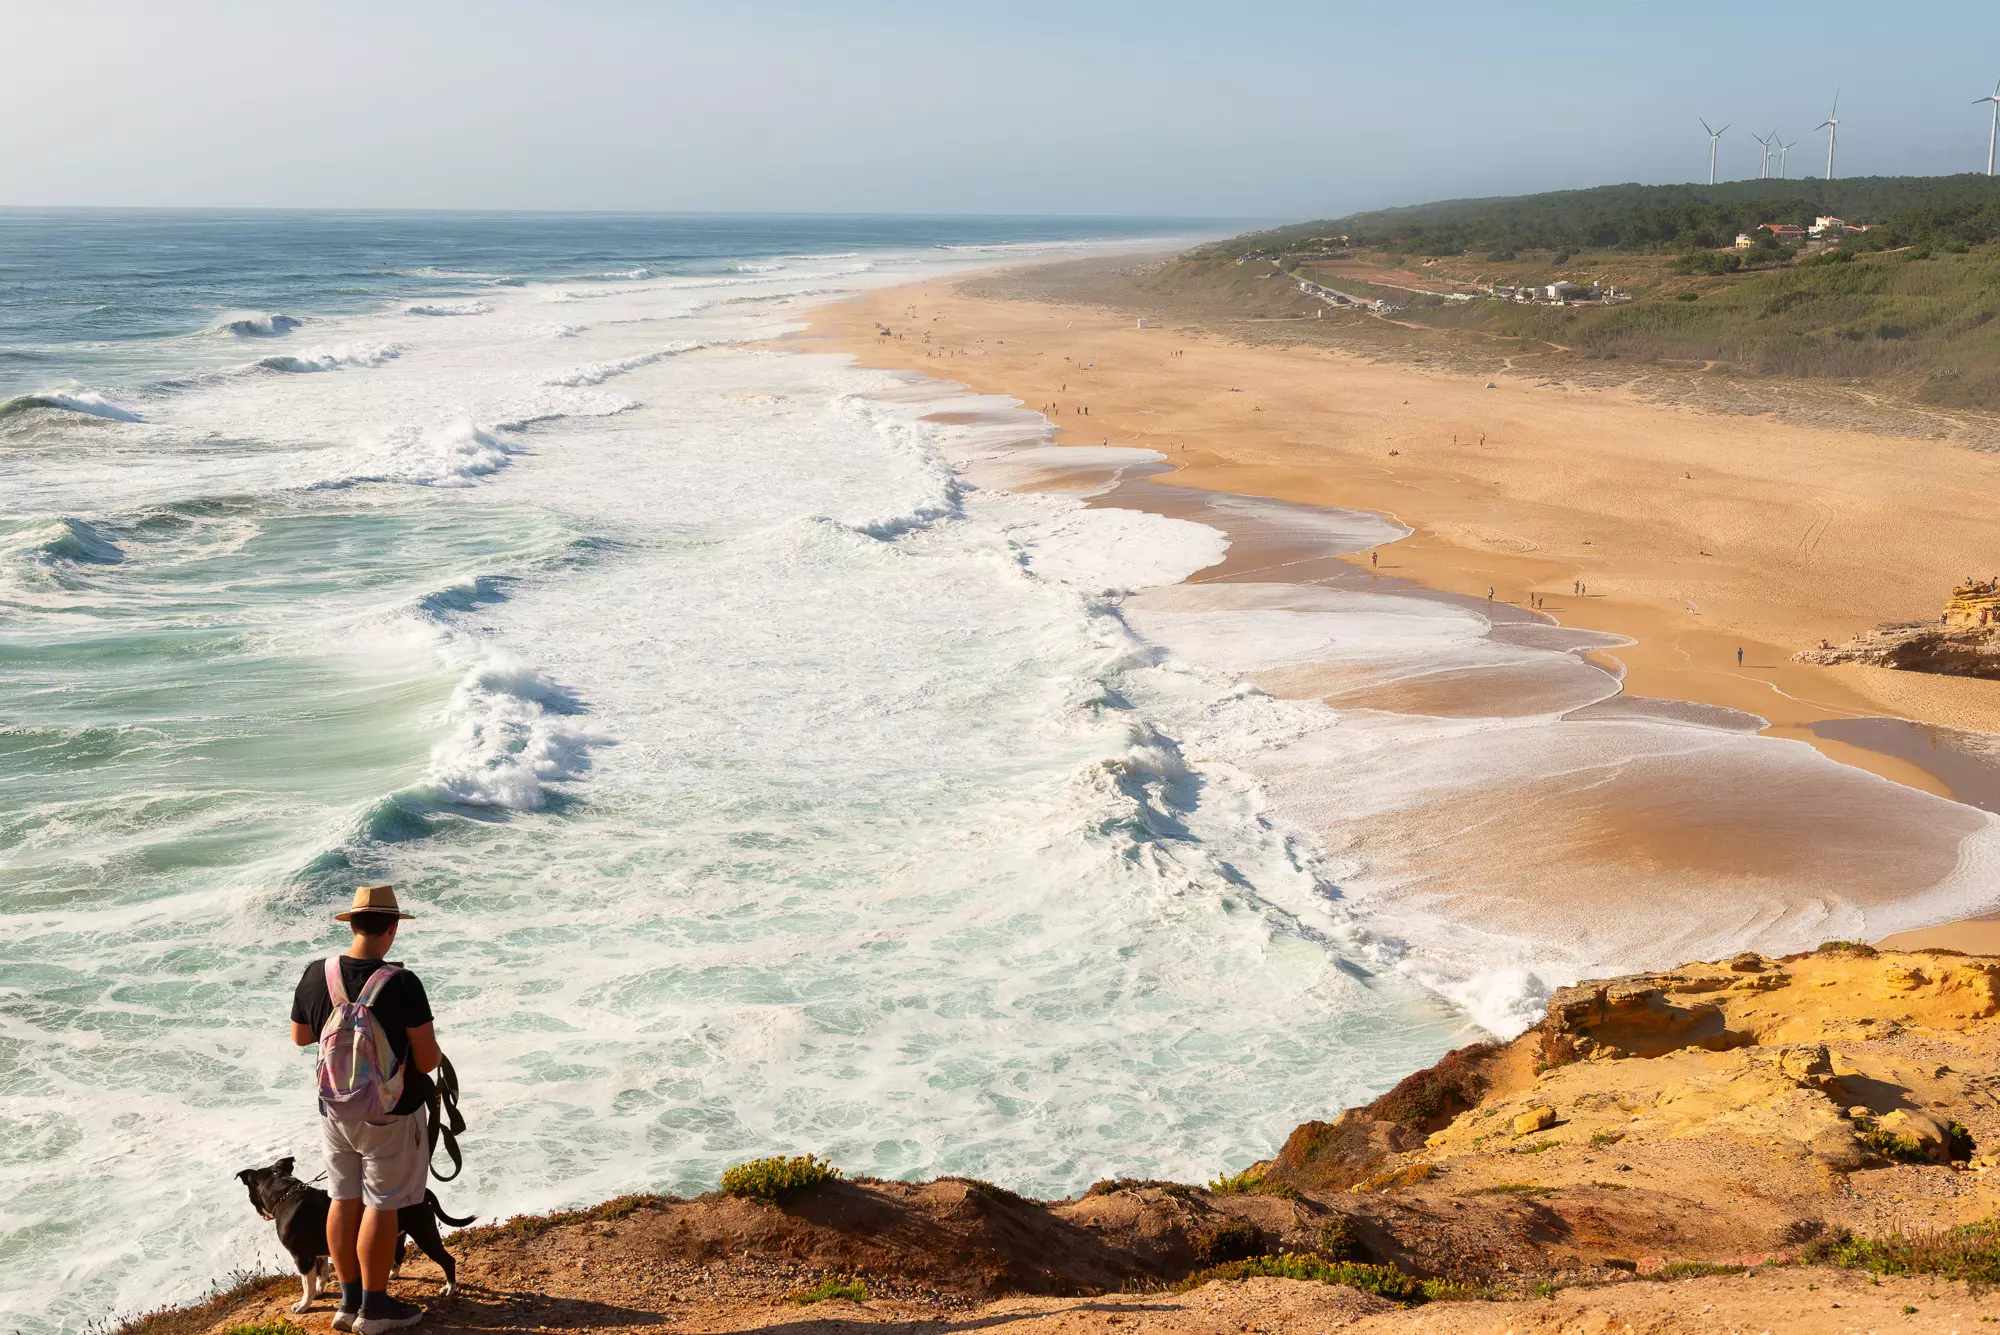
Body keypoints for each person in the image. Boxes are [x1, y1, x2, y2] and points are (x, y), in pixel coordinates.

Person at [292, 885, 442, 1333]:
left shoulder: (318, 973)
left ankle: (347, 1301)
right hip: (390, 1113)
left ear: (352, 924)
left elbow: (301, 1037)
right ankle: (375, 1311)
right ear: (392, 929)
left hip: (336, 1110)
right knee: (383, 1203)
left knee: (343, 1198)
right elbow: (429, 1059)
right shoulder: (402, 982)